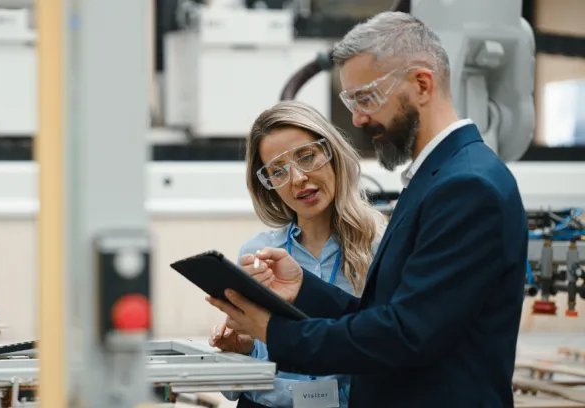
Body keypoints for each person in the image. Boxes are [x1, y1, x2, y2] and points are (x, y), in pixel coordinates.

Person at [206, 11, 528, 408]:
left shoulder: (466, 185)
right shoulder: (436, 176)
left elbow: (405, 334)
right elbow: (389, 314)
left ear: (421, 84)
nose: (357, 118)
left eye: (365, 98)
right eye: (351, 101)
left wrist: (274, 331)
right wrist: (304, 289)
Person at [208, 100, 386, 408]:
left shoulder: (379, 246)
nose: (297, 178)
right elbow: (236, 389)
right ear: (267, 186)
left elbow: (390, 351)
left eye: (306, 157)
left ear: (332, 154)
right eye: (277, 171)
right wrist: (239, 350)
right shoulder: (257, 254)